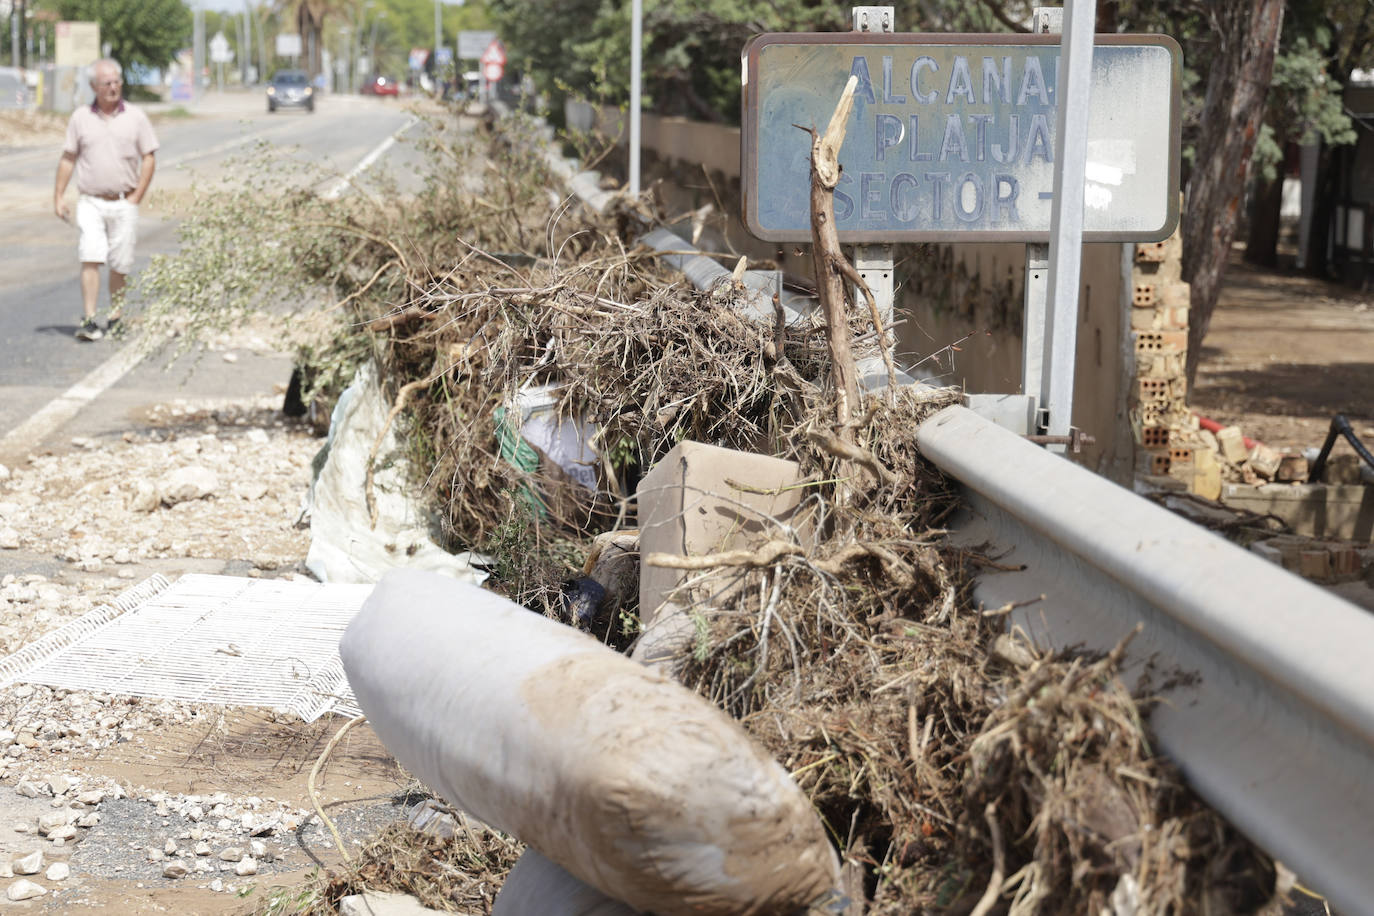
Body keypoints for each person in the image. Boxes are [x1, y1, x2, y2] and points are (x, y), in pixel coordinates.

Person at [53, 58, 159, 341]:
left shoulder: (136, 117)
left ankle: (116, 317)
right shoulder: (80, 118)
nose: (113, 88)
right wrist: (59, 196)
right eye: (106, 83)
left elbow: (149, 156)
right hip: (90, 200)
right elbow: (68, 158)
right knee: (90, 255)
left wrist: (137, 195)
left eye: (116, 82)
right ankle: (89, 319)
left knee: (121, 263)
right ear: (93, 86)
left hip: (124, 201)